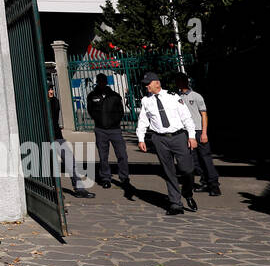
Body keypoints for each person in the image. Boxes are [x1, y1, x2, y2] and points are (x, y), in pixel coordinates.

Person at [136, 71, 198, 214]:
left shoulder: (173, 97)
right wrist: (140, 138)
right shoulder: (146, 101)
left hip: (178, 136)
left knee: (187, 169)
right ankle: (175, 203)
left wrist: (192, 136)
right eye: (144, 85)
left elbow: (187, 117)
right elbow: (143, 121)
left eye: (148, 84)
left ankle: (187, 193)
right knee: (168, 171)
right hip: (159, 139)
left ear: (157, 83)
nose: (146, 87)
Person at [86, 74, 133, 199]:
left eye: (103, 81)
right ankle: (105, 178)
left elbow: (121, 111)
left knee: (122, 154)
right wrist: (98, 120)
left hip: (115, 130)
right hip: (100, 130)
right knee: (103, 155)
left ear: (106, 82)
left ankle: (124, 177)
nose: (101, 83)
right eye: (99, 81)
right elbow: (90, 110)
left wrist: (115, 121)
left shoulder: (114, 96)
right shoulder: (92, 96)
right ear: (97, 82)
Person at [48, 84, 94, 199]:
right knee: (50, 165)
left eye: (52, 89)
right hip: (44, 137)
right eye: (49, 89)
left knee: (70, 161)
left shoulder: (54, 102)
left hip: (57, 137)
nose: (51, 91)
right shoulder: (38, 103)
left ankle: (79, 188)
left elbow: (52, 118)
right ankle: (54, 190)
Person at [177, 74, 220, 196]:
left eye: (179, 81)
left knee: (205, 158)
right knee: (194, 160)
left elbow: (204, 115)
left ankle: (214, 185)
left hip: (199, 131)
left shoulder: (196, 96)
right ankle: (204, 182)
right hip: (186, 132)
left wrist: (204, 132)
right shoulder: (177, 98)